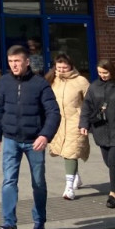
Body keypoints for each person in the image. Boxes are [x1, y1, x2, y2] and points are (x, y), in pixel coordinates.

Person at [0, 44, 60, 229]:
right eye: (10, 62)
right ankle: (9, 224)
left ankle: (39, 222)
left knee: (38, 183)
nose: (13, 65)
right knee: (9, 180)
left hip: (34, 141)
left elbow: (53, 112)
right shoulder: (4, 82)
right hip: (11, 139)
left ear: (27, 62)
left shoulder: (40, 84)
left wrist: (45, 135)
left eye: (17, 61)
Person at [79, 59, 115, 208]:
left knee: (112, 160)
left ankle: (113, 194)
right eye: (100, 73)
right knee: (108, 162)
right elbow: (87, 107)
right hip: (101, 130)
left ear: (112, 71)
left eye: (105, 72)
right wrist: (84, 124)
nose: (102, 75)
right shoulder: (93, 87)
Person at [45, 53, 90, 199]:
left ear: (71, 67)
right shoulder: (52, 80)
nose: (62, 70)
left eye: (65, 68)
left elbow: (89, 102)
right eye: (59, 68)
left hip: (75, 122)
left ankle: (69, 187)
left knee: (71, 152)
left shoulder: (81, 81)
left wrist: (86, 121)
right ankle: (75, 175)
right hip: (58, 122)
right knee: (64, 152)